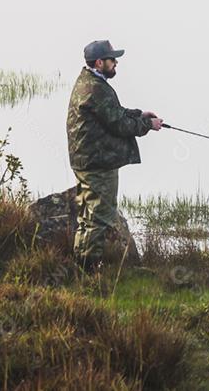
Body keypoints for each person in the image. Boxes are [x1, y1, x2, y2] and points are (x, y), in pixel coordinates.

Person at [66, 39, 163, 271]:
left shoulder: (88, 81)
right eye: (112, 60)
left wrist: (139, 114)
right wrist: (148, 125)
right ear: (99, 63)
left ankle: (82, 267)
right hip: (97, 163)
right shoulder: (95, 88)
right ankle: (88, 271)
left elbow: (112, 113)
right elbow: (119, 125)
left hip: (87, 160)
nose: (116, 63)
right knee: (98, 216)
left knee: (88, 215)